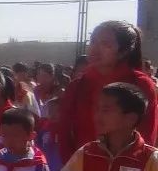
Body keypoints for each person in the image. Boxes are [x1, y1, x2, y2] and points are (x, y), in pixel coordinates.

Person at [56, 21, 158, 161]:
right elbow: (64, 132)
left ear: (123, 51)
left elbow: (147, 134)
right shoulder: (77, 86)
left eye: (106, 44)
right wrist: (73, 168)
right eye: (92, 41)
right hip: (83, 169)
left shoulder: (140, 84)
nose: (95, 49)